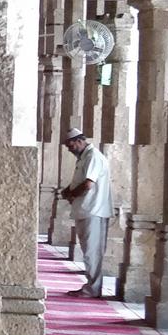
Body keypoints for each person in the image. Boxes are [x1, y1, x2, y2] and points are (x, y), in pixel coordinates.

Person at [59, 127, 112, 297]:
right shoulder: (84, 157)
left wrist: (72, 195)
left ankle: (93, 288)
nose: (70, 149)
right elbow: (81, 181)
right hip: (86, 209)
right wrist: (68, 190)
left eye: (71, 145)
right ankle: (92, 286)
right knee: (89, 251)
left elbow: (88, 184)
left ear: (80, 141)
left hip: (93, 210)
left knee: (92, 251)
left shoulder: (93, 156)